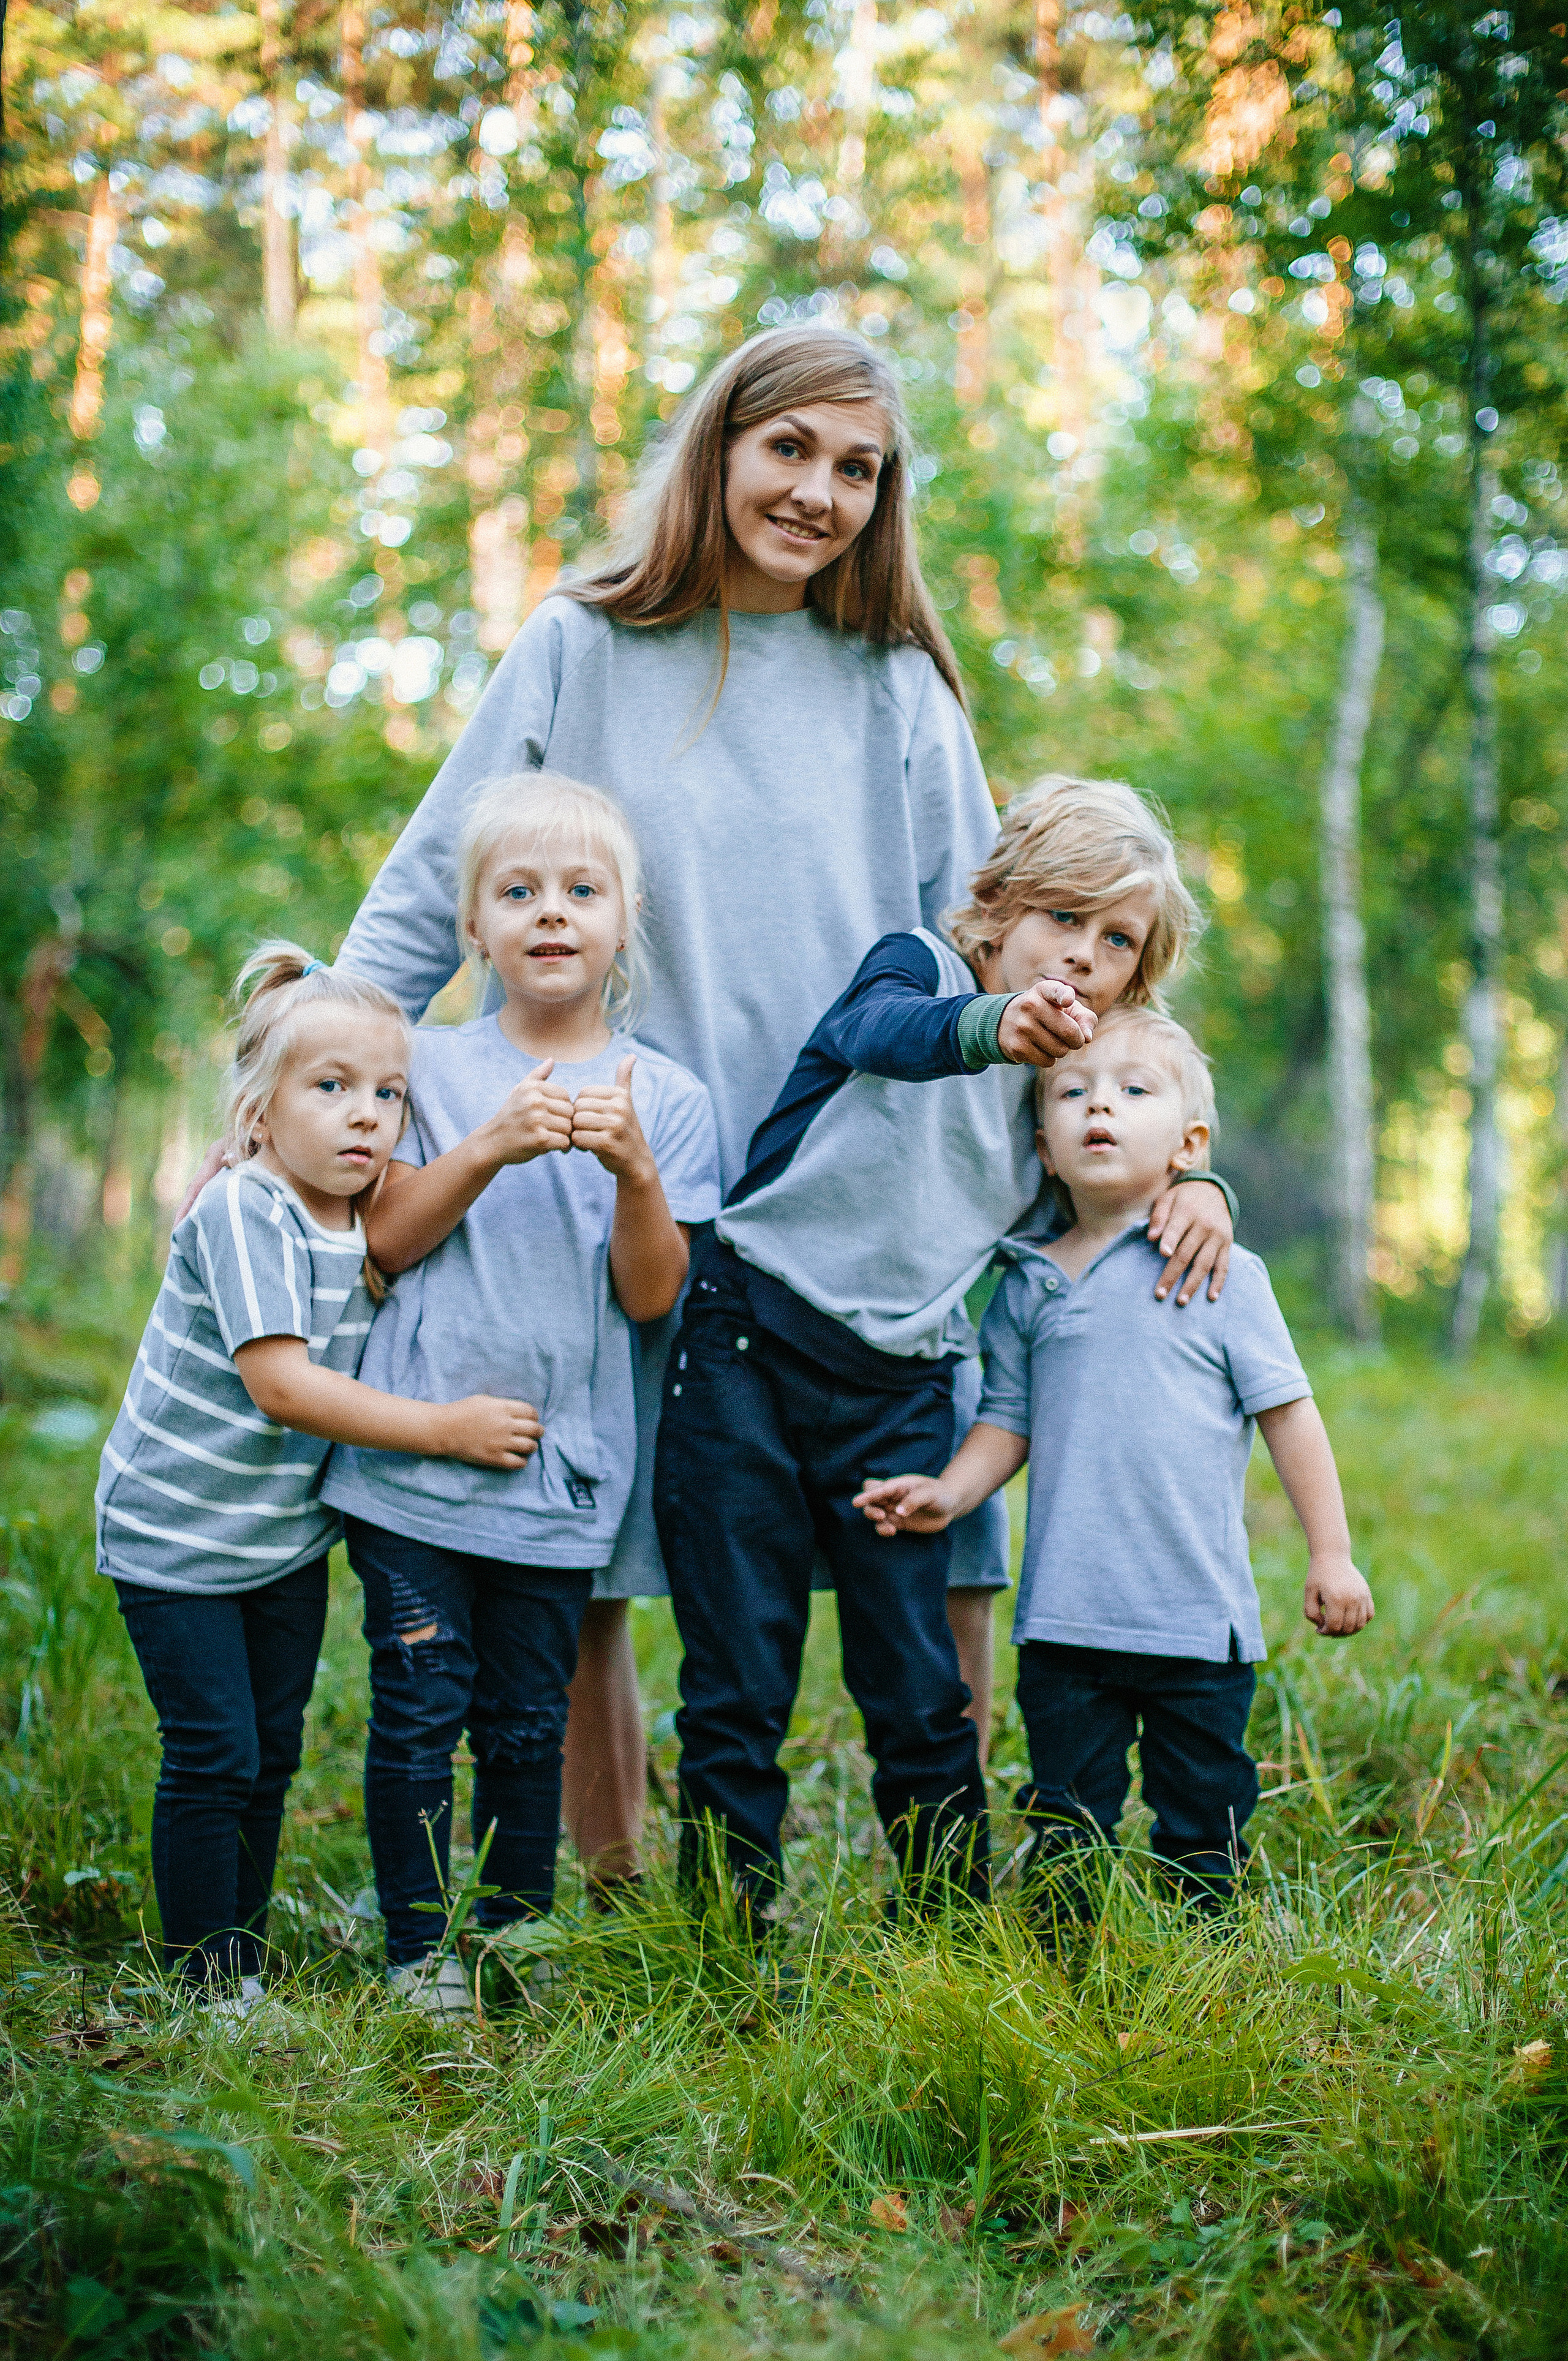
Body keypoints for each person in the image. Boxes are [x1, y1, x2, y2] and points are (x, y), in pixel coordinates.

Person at [186, 324, 1231, 1875]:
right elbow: (430, 881)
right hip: (614, 1153)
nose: (817, 491)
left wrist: (1167, 1169)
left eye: (856, 468)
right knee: (601, 1525)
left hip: (857, 1184)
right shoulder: (583, 645)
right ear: (718, 448)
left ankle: (937, 1869)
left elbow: (1000, 943)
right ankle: (611, 1876)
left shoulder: (895, 687)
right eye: (788, 450)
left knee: (934, 1536)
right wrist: (290, 1089)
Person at [654, 773, 1236, 1923]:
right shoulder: (918, 968)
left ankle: (947, 1924)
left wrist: (1204, 1183)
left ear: (1136, 974)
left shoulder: (1067, 1091)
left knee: (918, 1686)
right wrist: (990, 1027)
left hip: (901, 1389)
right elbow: (880, 1036)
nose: (1079, 956)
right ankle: (724, 1933)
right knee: (739, 1671)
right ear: (1002, 905)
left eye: (1114, 940)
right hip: (745, 1343)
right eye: (1061, 919)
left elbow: (1139, 1145)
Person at [323, 774, 717, 2009]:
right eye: (519, 892)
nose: (552, 914)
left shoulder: (668, 1097)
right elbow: (381, 1239)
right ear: (474, 927)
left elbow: (653, 1298)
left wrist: (636, 1173)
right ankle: (412, 1951)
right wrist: (488, 1144)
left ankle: (507, 1945)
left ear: (622, 917)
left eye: (580, 891)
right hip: (411, 1474)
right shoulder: (425, 1071)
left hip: (560, 1476)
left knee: (521, 1727)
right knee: (415, 1711)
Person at [855, 1003, 1374, 1930]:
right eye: (1072, 1093)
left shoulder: (1223, 1274)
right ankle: (1071, 1962)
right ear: (1046, 1150)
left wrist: (1330, 1554)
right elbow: (1007, 1423)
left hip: (1194, 1620)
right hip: (1065, 1623)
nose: (1101, 1106)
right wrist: (950, 1490)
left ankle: (1201, 1959)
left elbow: (1290, 1415)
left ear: (1188, 1143)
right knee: (1068, 1817)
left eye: (1134, 1091)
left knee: (1204, 1816)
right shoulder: (1026, 1285)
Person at [97, 946, 543, 2008]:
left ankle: (237, 1955)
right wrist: (443, 1429)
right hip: (180, 1533)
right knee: (213, 1753)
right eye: (331, 1088)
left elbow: (418, 1222)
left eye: (389, 1093)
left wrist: (486, 1149)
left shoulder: (357, 1206)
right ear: (258, 1111)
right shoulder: (245, 1208)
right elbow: (284, 1388)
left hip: (280, 1540)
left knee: (271, 1754)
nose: (366, 1116)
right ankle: (203, 1981)